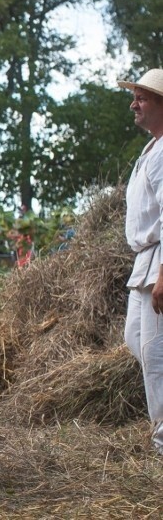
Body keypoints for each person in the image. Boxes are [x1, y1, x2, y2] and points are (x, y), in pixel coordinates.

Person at [117, 68, 163, 455]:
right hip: (144, 260)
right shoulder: (151, 148)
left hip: (159, 259)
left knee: (154, 354)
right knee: (135, 339)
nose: (134, 104)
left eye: (142, 98)